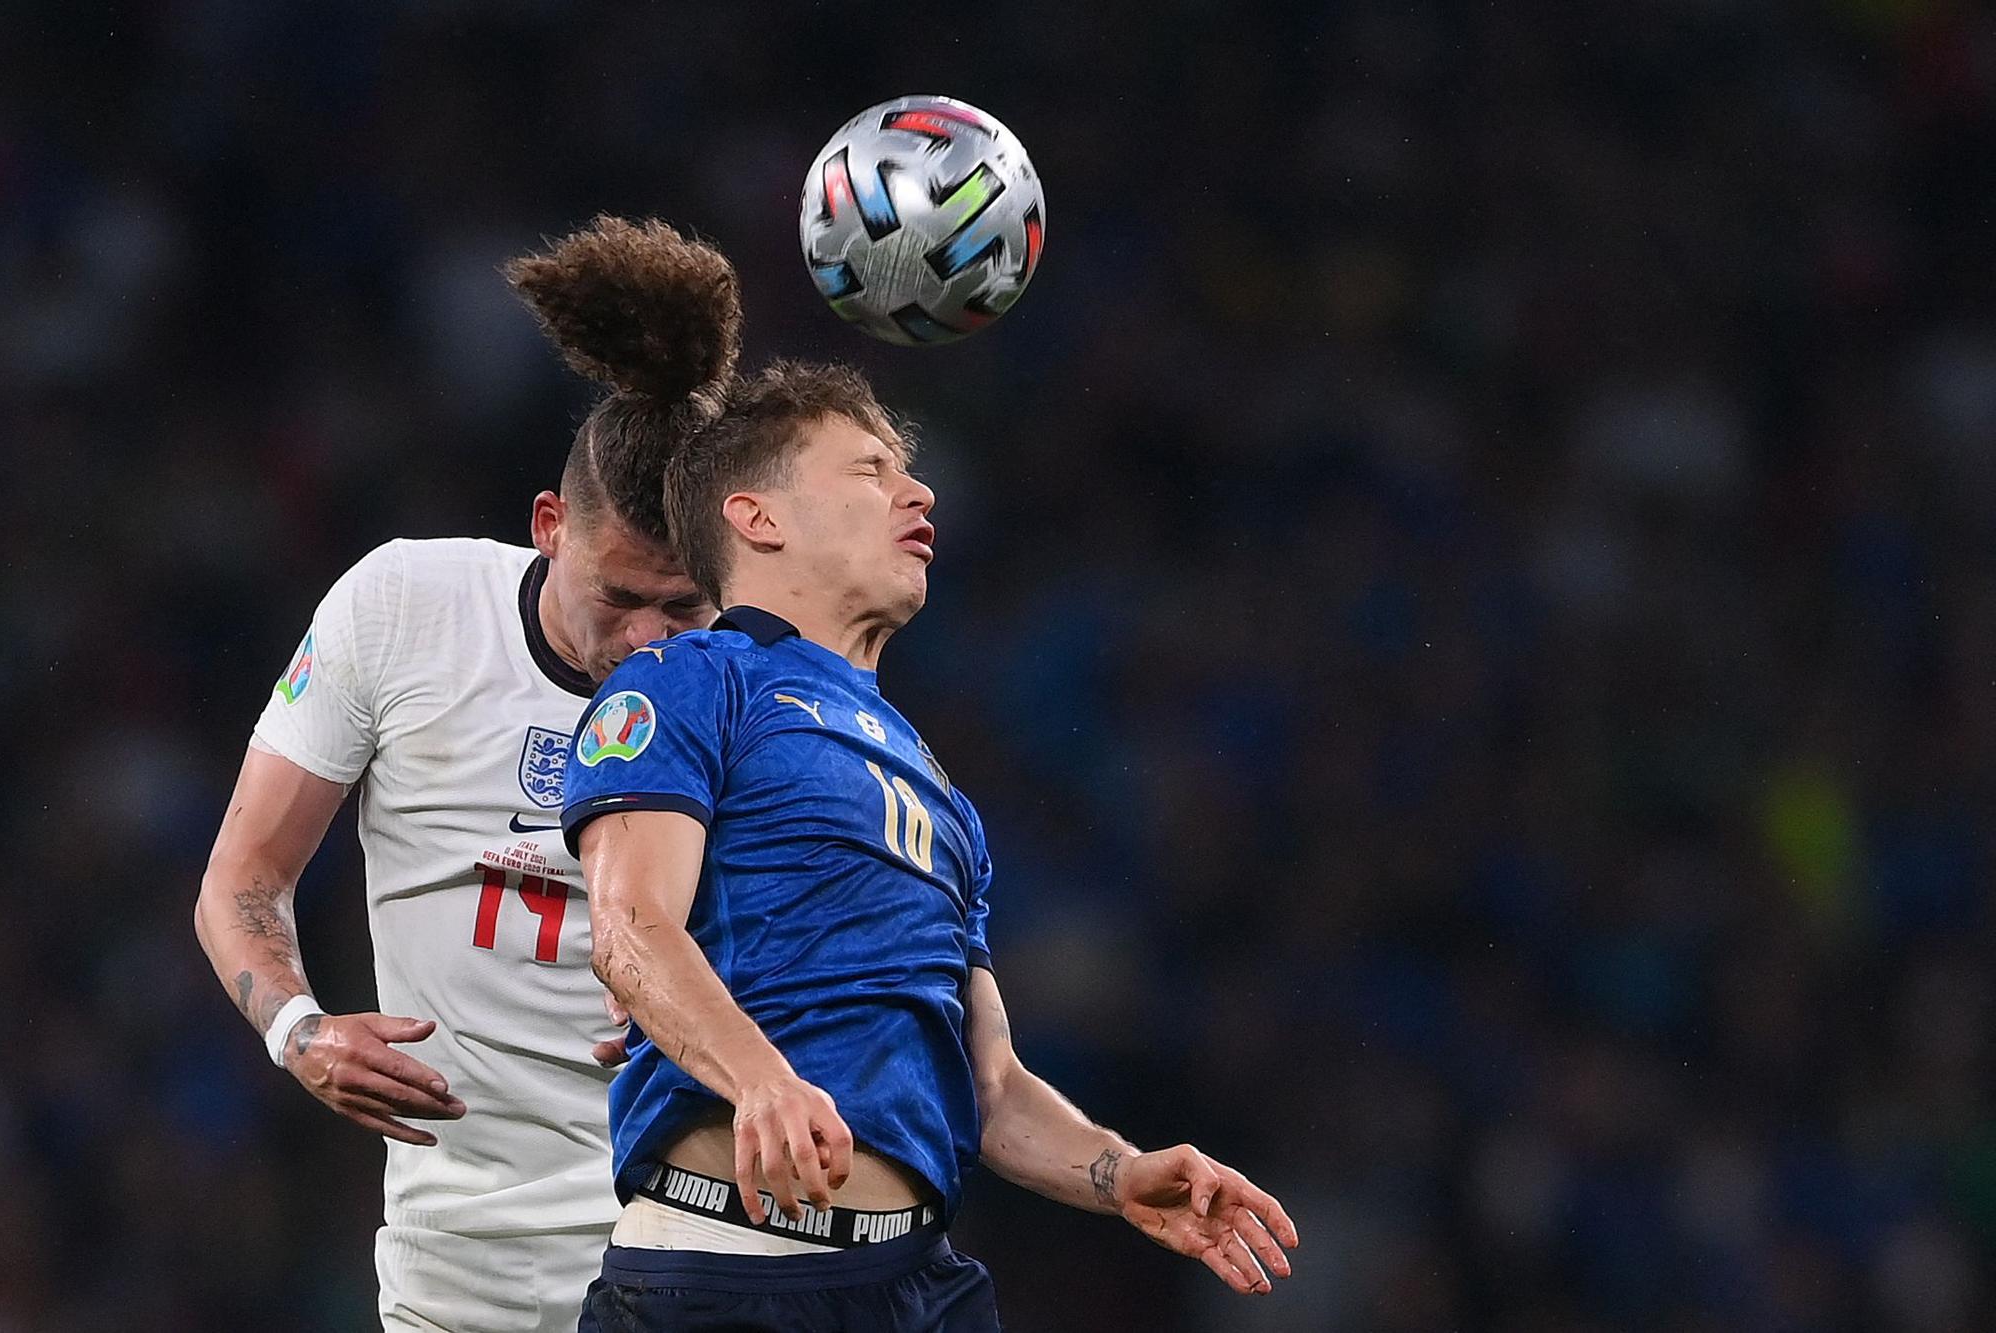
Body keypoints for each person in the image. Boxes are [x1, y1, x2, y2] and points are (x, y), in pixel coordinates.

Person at [561, 362, 1300, 1331]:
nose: (917, 492)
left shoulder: (932, 786)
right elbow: (630, 925)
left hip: (920, 1286)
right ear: (757, 517)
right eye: (868, 471)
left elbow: (986, 1082)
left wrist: (1116, 1170)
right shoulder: (687, 682)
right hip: (725, 1274)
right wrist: (762, 1081)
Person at [192, 216, 739, 1332]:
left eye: (680, 606)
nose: (646, 640)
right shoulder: (402, 609)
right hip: (453, 1270)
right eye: (618, 597)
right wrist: (297, 1031)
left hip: (688, 1251)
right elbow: (240, 879)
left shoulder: (761, 690)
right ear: (549, 527)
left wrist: (720, 1004)